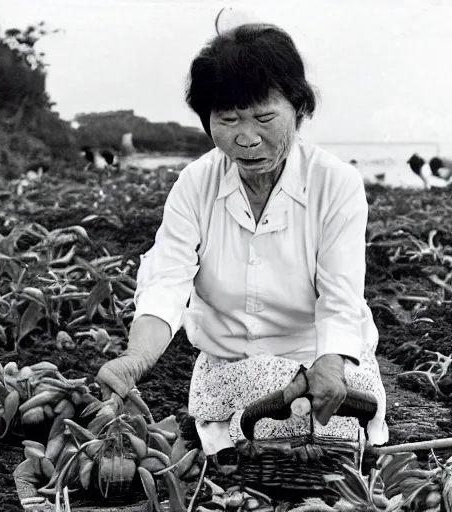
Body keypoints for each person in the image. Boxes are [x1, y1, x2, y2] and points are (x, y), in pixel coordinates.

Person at [96, 22, 389, 466]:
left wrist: (330, 363)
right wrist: (135, 360)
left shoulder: (336, 184)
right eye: (227, 119)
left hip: (324, 358)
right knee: (276, 420)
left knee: (328, 427)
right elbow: (167, 282)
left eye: (264, 117)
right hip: (232, 367)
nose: (246, 137)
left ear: (299, 108)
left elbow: (341, 293)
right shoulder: (195, 184)